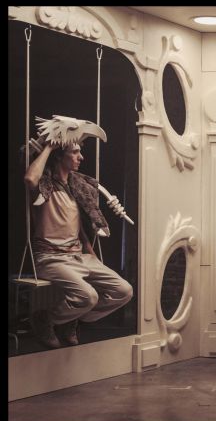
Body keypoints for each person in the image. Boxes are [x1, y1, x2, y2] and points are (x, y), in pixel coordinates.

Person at [23, 115, 133, 349]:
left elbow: (77, 225)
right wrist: (50, 146)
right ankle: (45, 320)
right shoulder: (44, 185)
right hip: (50, 258)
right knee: (88, 296)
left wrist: (90, 252)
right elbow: (30, 178)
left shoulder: (77, 187)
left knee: (124, 291)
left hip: (79, 256)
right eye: (74, 152)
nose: (81, 157)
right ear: (59, 156)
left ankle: (70, 319)